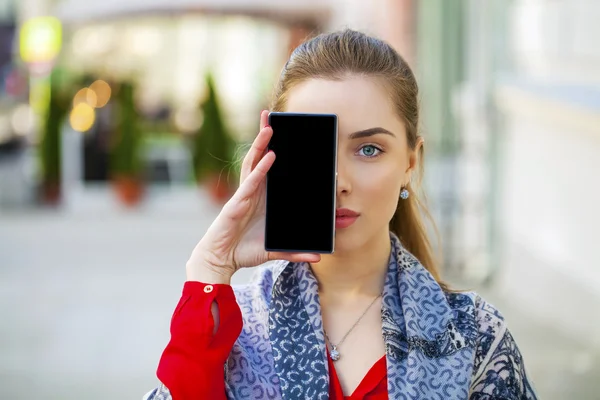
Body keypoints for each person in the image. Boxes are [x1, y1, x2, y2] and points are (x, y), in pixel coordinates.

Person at [144, 29, 537, 400]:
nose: (339, 182)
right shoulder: (227, 330)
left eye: (369, 149)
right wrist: (211, 267)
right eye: (313, 151)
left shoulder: (475, 335)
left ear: (410, 162)